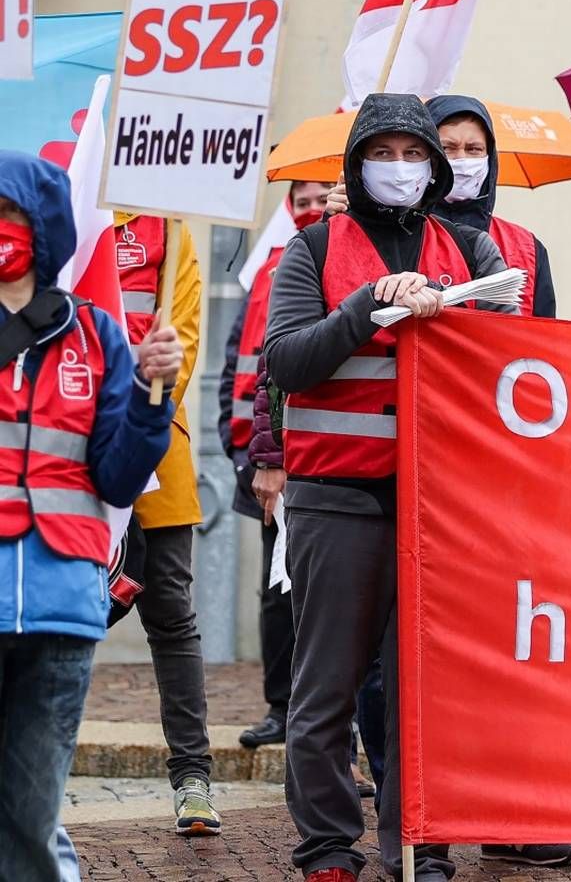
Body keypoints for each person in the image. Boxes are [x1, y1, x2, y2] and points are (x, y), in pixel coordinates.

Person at [265, 93, 521, 882]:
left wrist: (471, 317)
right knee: (326, 687)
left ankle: (421, 846)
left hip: (437, 504)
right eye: (386, 154)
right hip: (336, 501)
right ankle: (327, 848)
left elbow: (506, 375)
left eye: (416, 157)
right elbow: (286, 361)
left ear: (437, 170)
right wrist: (365, 310)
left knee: (425, 695)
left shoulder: (469, 250)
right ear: (357, 162)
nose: (401, 169)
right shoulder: (312, 249)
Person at [0, 150, 179, 882]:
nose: (2, 231)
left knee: (31, 816)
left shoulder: (98, 336)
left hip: (62, 605)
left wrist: (149, 395)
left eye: (12, 216)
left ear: (43, 228)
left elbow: (118, 473)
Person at [111, 210, 219, 835]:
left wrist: (141, 419)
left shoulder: (169, 226)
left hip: (157, 446)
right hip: (74, 448)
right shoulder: (69, 206)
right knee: (66, 621)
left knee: (171, 614)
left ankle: (193, 780)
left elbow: (183, 334)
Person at [217, 180, 331, 751]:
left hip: (325, 461)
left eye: (321, 196)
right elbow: (244, 364)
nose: (311, 208)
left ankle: (337, 721)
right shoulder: (268, 271)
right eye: (300, 200)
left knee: (327, 594)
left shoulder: (343, 260)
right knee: (277, 591)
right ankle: (279, 708)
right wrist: (245, 450)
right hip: (266, 465)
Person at [327, 95, 558, 317]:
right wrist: (337, 219)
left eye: (474, 149)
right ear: (432, 157)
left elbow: (538, 341)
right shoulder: (391, 232)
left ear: (490, 157)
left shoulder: (526, 246)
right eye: (448, 148)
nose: (462, 160)